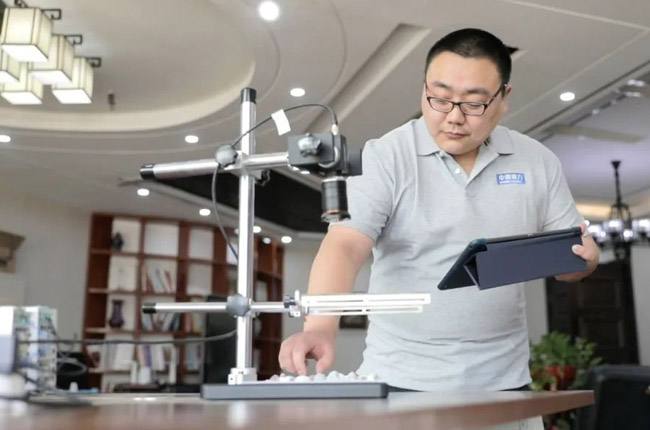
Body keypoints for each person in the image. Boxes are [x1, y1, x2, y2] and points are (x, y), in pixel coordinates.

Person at [278, 28, 600, 391]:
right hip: (401, 378)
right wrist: (320, 327)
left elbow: (570, 258)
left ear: (503, 98)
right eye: (440, 99)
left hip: (505, 380)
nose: (454, 117)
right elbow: (345, 245)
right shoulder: (385, 156)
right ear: (424, 89)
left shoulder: (537, 161)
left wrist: (584, 260)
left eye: (474, 103)